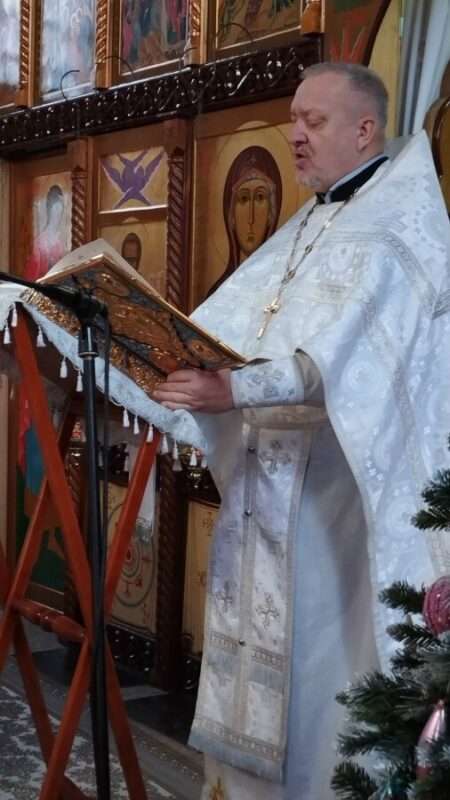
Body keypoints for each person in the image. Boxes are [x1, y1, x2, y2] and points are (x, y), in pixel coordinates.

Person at [154, 62, 450, 799]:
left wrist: (232, 389)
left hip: (336, 507)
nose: (294, 135)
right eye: (293, 119)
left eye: (312, 121)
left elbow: (339, 361)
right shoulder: (310, 223)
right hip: (265, 492)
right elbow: (230, 331)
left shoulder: (398, 227)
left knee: (323, 674)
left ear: (365, 129)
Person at [208, 145, 282, 296]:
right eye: (243, 199)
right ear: (231, 215)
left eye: (260, 197)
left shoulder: (281, 291)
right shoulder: (217, 294)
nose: (251, 219)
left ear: (272, 212)